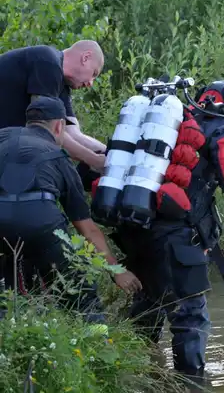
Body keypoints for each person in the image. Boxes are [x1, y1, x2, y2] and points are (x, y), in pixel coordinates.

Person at [107, 80, 224, 388]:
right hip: (177, 238)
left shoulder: (169, 121)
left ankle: (138, 373)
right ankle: (192, 384)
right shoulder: (223, 128)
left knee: (149, 301)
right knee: (190, 314)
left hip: (135, 227)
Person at [0, 96, 142, 323]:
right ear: (59, 127)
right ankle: (97, 344)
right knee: (80, 295)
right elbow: (86, 228)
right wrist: (116, 271)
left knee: (5, 294)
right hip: (40, 222)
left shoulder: (3, 136)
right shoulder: (59, 158)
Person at [0, 40, 108, 172]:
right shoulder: (47, 61)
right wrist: (94, 160)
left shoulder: (62, 85)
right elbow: (46, 129)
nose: (91, 83)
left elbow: (73, 133)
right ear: (85, 58)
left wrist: (110, 153)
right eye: (94, 74)